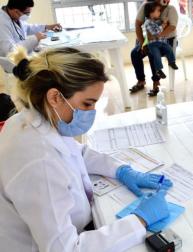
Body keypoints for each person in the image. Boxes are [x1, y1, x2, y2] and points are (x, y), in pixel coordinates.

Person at [0, 46, 174, 251]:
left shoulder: (34, 119)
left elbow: (76, 152)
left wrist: (120, 170)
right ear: (55, 97)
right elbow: (65, 249)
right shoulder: (39, 161)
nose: (92, 112)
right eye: (87, 104)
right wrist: (140, 220)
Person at [130, 0, 178, 96]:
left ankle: (156, 82)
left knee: (152, 52)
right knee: (135, 53)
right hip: (149, 40)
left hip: (167, 40)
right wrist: (143, 43)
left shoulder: (171, 9)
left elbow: (172, 27)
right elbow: (138, 24)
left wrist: (157, 36)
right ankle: (141, 81)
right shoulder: (147, 6)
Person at [144, 2, 178, 80]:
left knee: (169, 48)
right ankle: (159, 70)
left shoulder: (157, 21)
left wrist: (163, 24)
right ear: (151, 13)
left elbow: (160, 32)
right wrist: (164, 24)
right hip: (153, 44)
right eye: (158, 11)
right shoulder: (148, 23)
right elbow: (155, 32)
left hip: (162, 42)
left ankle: (172, 62)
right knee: (156, 55)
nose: (160, 12)